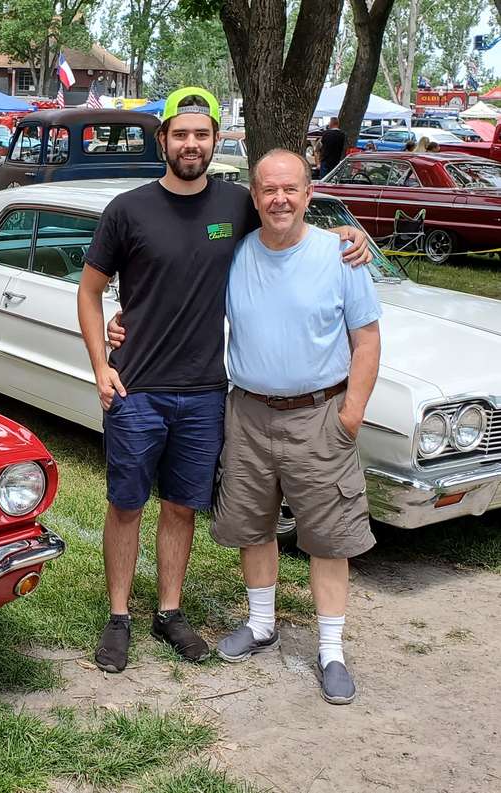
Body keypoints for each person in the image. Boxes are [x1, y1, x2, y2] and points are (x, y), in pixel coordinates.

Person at [75, 87, 372, 675]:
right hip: (136, 387)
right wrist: (101, 364)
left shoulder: (236, 204)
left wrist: (351, 236)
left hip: (207, 392)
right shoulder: (127, 210)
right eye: (180, 134)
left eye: (201, 134)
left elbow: (289, 216)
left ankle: (168, 610)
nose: (191, 144)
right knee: (126, 504)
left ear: (216, 140)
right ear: (162, 140)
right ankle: (118, 617)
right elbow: (89, 292)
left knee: (182, 506)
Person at [210, 149, 380, 705]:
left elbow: (367, 340)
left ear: (309, 194)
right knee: (251, 524)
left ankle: (331, 649)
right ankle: (261, 624)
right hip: (250, 414)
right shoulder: (235, 255)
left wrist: (350, 415)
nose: (279, 199)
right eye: (267, 190)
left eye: (290, 189)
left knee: (329, 536)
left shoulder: (340, 255)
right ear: (254, 197)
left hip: (321, 416)